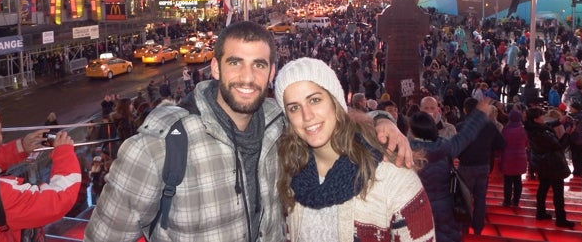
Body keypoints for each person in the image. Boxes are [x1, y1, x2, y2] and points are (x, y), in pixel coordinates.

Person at [84, 21, 412, 242]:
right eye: (235, 62)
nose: (246, 76)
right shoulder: (157, 149)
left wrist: (382, 118)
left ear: (271, 73)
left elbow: (330, 114)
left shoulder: (280, 122)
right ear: (214, 68)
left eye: (258, 65)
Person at [274, 57, 435, 241]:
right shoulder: (289, 174)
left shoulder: (393, 176)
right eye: (294, 108)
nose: (307, 115)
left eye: (315, 100)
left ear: (336, 102)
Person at [0, 98, 81, 241]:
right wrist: (64, 152)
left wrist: (21, 147)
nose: (1, 138)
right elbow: (58, 199)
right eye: (0, 132)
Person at [409, 98, 492, 242]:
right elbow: (467, 134)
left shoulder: (405, 152)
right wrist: (480, 114)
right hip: (445, 207)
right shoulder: (446, 148)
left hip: (417, 207)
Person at [456, 98, 505, 235]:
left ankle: (464, 228)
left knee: (464, 199)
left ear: (465, 110)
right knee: (480, 198)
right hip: (483, 165)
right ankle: (478, 228)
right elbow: (501, 144)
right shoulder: (489, 125)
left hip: (465, 166)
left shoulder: (461, 126)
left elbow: (456, 148)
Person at [524, 106, 575, 228]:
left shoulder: (532, 128)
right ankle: (561, 219)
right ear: (536, 119)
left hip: (542, 163)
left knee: (543, 187)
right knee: (558, 191)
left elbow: (547, 125)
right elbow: (559, 146)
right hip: (552, 164)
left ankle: (540, 212)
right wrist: (568, 134)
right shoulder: (541, 133)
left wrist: (559, 121)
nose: (543, 117)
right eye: (541, 115)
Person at [499, 109, 528, 207]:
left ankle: (506, 201)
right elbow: (526, 143)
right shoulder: (523, 130)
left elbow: (502, 144)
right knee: (518, 180)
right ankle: (516, 201)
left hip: (507, 158)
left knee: (507, 181)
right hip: (520, 158)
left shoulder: (505, 129)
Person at [566, 101, 582, 180]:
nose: (570, 109)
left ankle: (578, 171)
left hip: (577, 139)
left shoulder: (577, 117)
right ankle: (578, 170)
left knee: (577, 156)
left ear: (576, 108)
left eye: (571, 107)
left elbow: (574, 128)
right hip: (581, 139)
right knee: (578, 156)